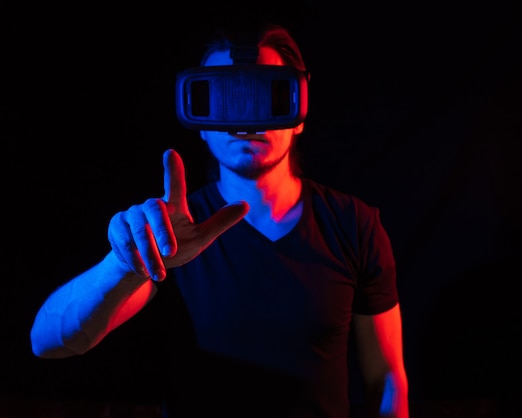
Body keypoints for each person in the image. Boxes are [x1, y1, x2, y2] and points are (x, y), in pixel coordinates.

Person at [30, 22, 409, 418]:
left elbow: (387, 379)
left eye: (266, 95)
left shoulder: (354, 225)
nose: (245, 121)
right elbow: (49, 341)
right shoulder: (172, 233)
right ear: (202, 126)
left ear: (298, 114)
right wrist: (124, 263)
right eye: (227, 98)